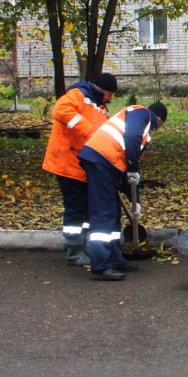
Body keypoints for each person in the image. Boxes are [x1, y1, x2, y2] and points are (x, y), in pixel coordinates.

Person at [77, 102, 168, 281]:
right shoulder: (141, 113)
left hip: (107, 164)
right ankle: (100, 266)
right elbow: (132, 139)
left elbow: (129, 172)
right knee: (104, 214)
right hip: (101, 160)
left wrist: (136, 202)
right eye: (160, 125)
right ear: (159, 118)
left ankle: (115, 259)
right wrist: (133, 167)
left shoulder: (142, 130)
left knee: (113, 213)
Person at [41, 73, 117, 267]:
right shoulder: (78, 95)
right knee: (75, 209)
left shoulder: (100, 107)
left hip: (82, 167)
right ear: (103, 89)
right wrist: (88, 131)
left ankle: (81, 246)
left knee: (84, 209)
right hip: (67, 162)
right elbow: (60, 110)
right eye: (110, 94)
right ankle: (74, 250)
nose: (110, 98)